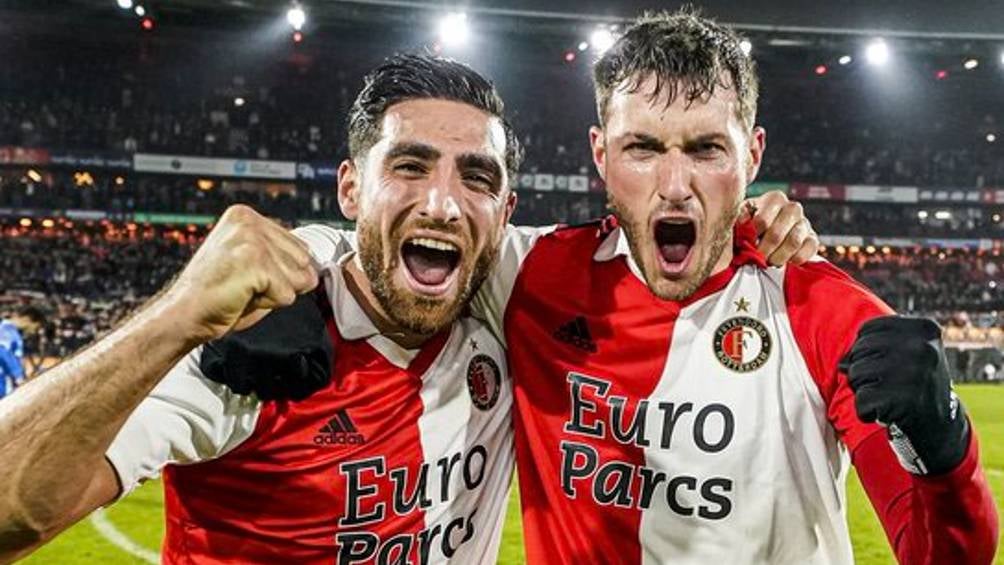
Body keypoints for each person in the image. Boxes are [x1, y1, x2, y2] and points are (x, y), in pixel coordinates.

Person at [230, 11, 998, 565]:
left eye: (707, 149)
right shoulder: (533, 274)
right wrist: (299, 275)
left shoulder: (820, 309)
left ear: (752, 154)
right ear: (601, 154)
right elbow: (402, 231)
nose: (675, 184)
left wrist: (941, 443)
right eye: (643, 148)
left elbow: (945, 553)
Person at [0, 53, 814, 563]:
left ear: (505, 213)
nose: (444, 204)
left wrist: (754, 222)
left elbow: (654, 238)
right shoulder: (251, 349)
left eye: (476, 178)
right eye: (410, 167)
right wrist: (177, 314)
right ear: (351, 187)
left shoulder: (506, 312)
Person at [0, 306, 44, 400]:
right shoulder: (7, 329)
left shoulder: (11, 331)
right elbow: (3, 351)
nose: (34, 331)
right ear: (27, 319)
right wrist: (18, 375)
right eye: (36, 327)